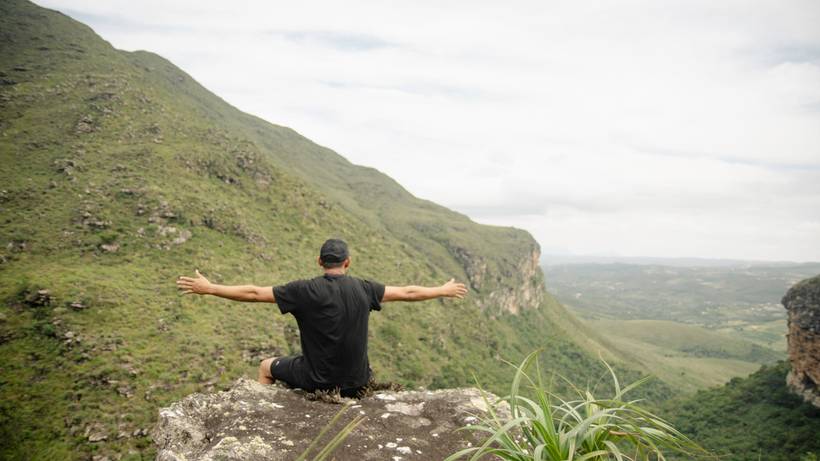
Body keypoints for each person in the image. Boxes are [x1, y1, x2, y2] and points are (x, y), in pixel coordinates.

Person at [175, 238, 468, 397]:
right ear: (348, 263)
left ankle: (261, 408)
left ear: (319, 262)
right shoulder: (365, 289)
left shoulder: (303, 290)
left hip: (317, 381)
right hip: (359, 382)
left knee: (266, 366)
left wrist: (210, 288)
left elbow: (253, 293)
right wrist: (441, 290)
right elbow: (407, 292)